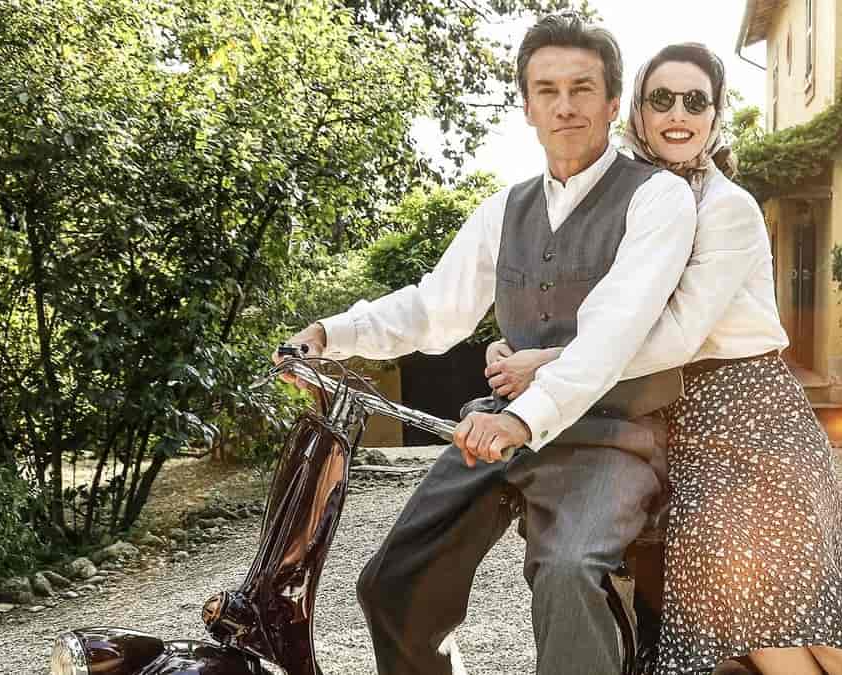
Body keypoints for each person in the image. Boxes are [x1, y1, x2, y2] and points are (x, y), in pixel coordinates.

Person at [276, 12, 699, 675]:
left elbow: (615, 330)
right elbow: (433, 307)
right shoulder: (503, 209)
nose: (565, 106)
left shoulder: (658, 199)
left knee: (571, 575)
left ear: (613, 102)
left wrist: (521, 420)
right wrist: (333, 333)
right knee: (393, 583)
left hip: (611, 437)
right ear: (527, 105)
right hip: (497, 426)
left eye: (582, 88)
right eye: (547, 90)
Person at [483, 43, 842, 675]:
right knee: (742, 602)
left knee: (806, 602)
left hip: (752, 410)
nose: (678, 114)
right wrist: (518, 340)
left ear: (714, 115)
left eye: (695, 101)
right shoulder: (629, 199)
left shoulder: (726, 207)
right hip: (683, 420)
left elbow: (677, 332)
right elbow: (587, 300)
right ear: (638, 112)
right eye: (662, 99)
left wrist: (545, 362)